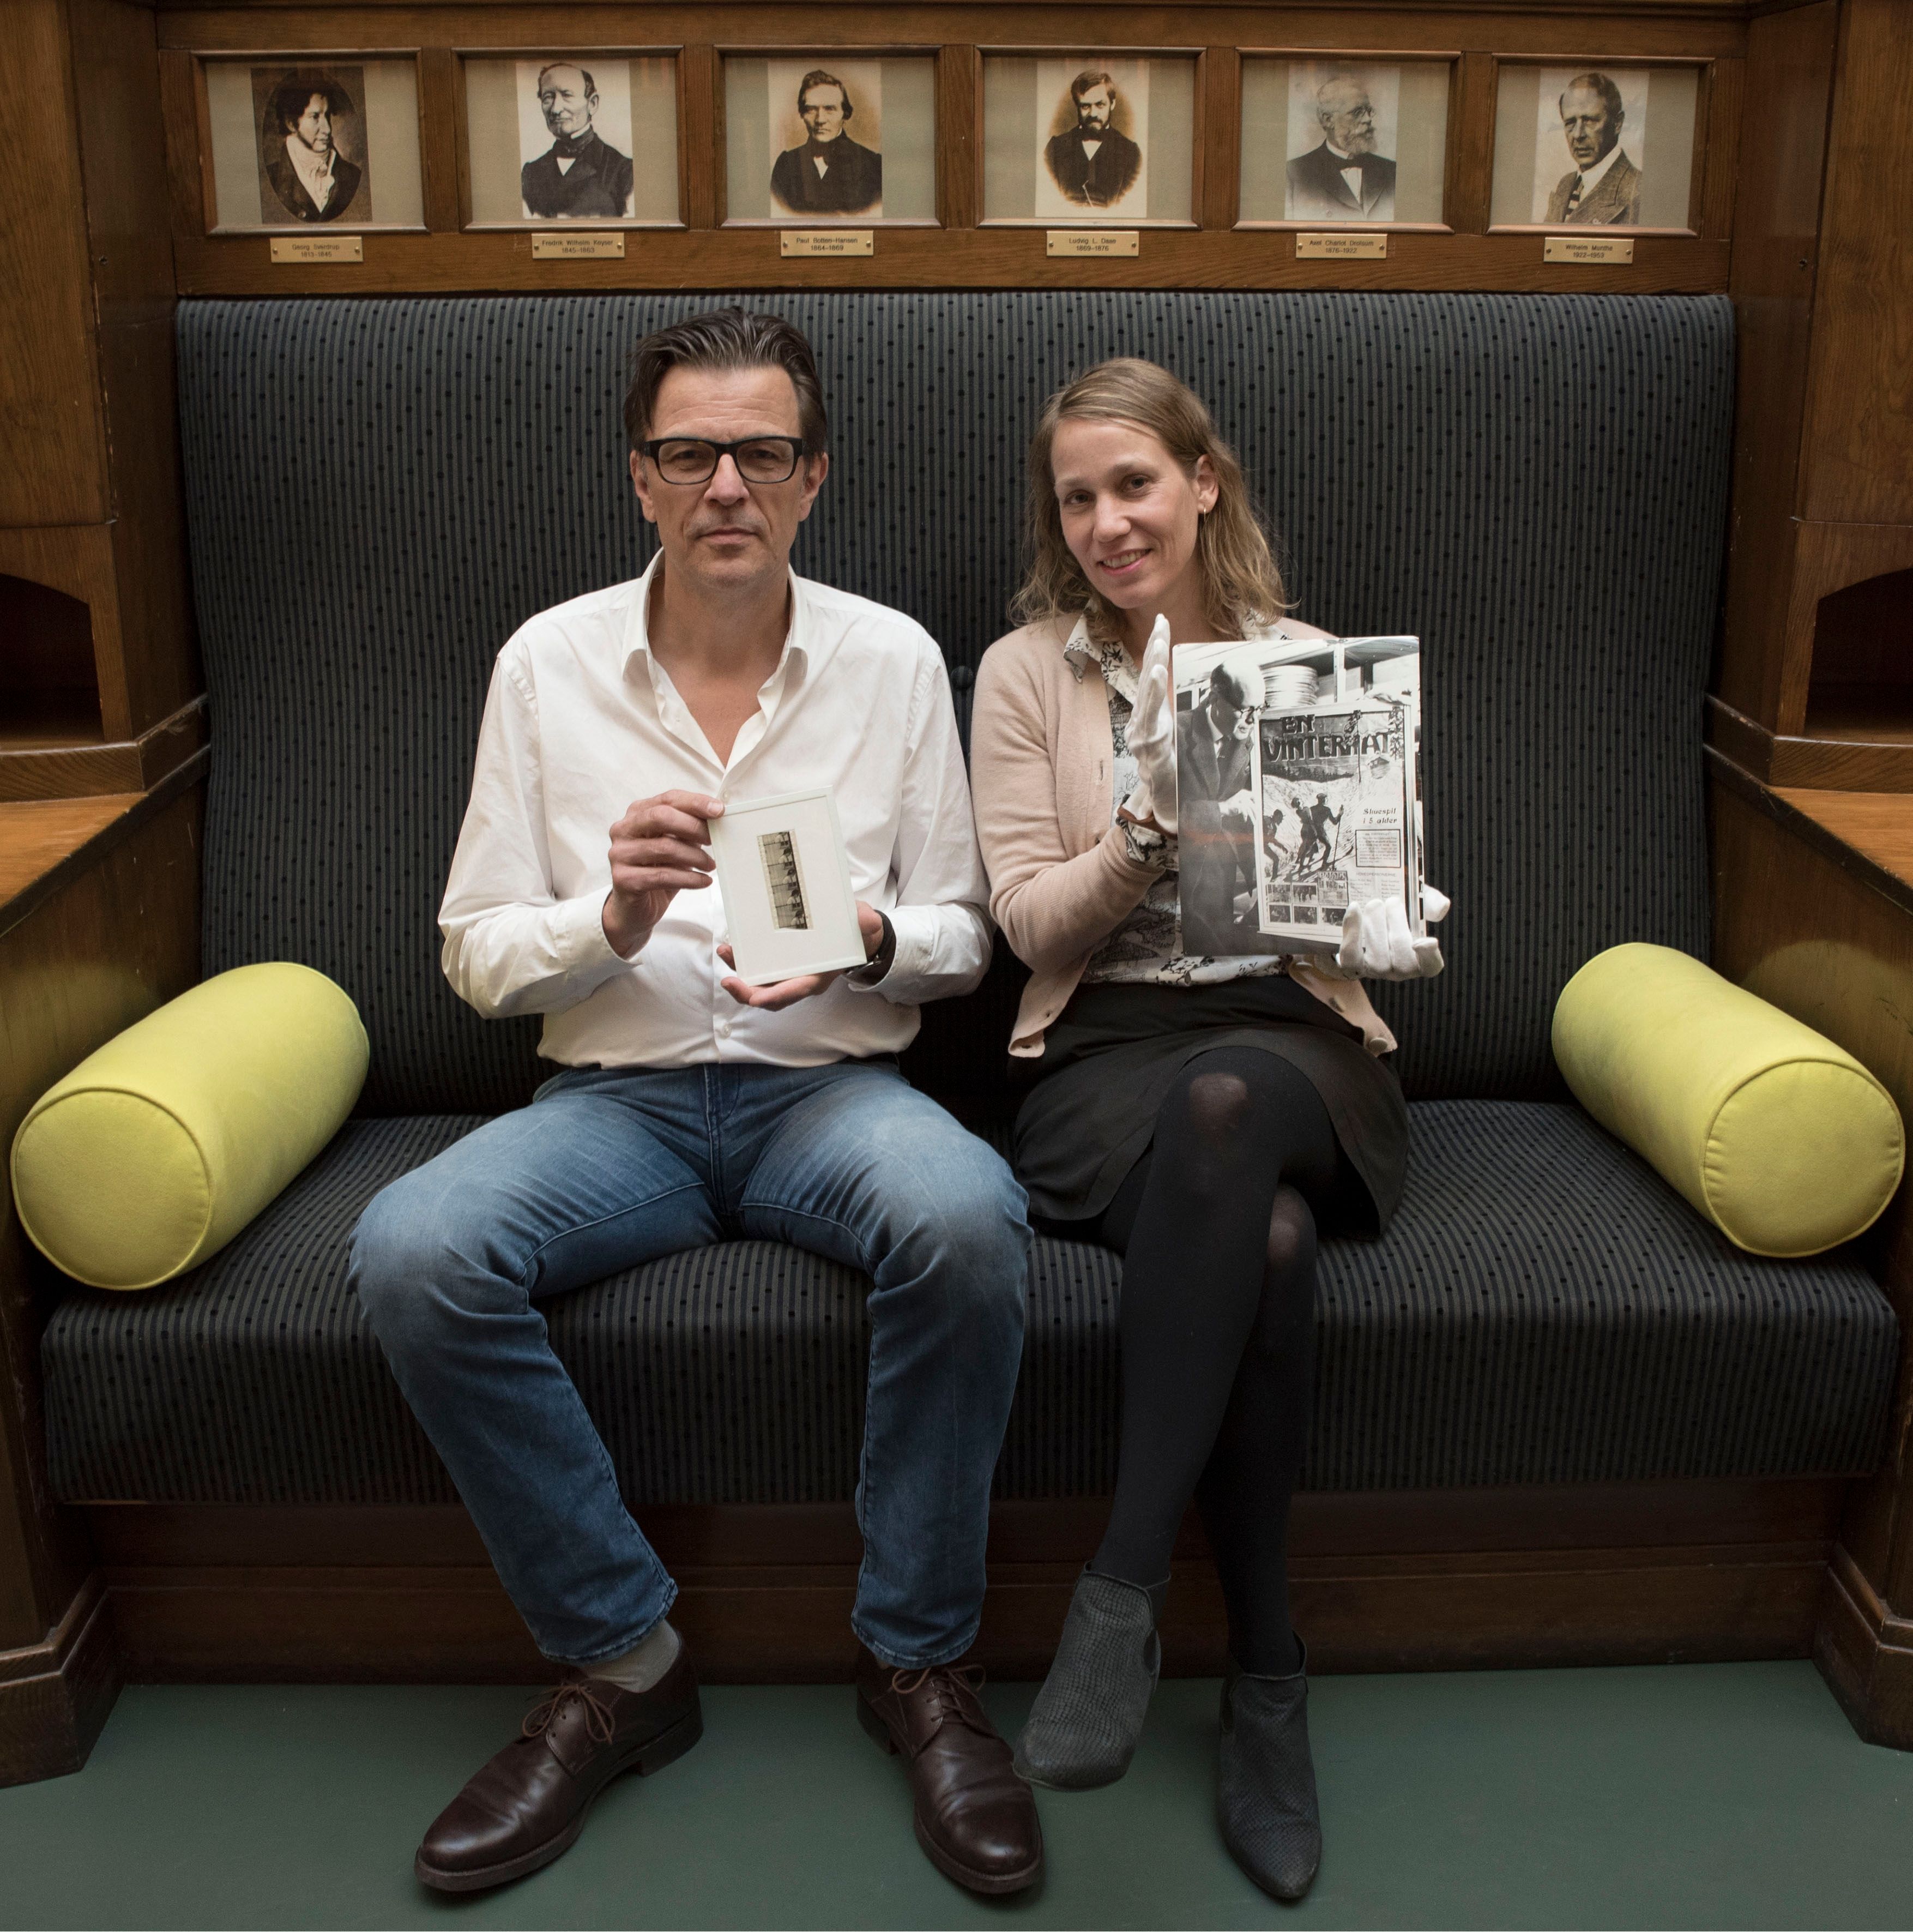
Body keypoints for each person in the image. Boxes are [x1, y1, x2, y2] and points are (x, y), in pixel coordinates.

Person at [349, 306, 1041, 1898]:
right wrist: (605, 916)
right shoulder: (546, 664)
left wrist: (870, 939)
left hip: (830, 1094)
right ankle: (621, 1658)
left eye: (760, 453)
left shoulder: (887, 661)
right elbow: (471, 954)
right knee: (413, 1248)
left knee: (966, 1216)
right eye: (688, 453)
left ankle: (916, 1658)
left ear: (812, 477)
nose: (725, 483)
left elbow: (961, 933)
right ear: (641, 479)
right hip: (619, 1108)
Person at [969, 357, 1447, 1901]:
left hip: (1291, 1044)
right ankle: (1267, 1677)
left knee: (1232, 1102)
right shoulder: (1024, 676)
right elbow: (1024, 923)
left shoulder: (1306, 668)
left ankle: (1119, 1588)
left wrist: (1388, 910)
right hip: (1101, 1057)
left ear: (1201, 481)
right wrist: (1146, 822)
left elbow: (1351, 921)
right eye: (1077, 498)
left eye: (1133, 483)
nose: (1108, 521)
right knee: (1272, 1241)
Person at [521, 63, 635, 220]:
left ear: (592, 104)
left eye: (567, 96)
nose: (556, 109)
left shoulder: (624, 172)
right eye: (548, 98)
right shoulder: (531, 173)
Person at [770, 69, 883, 215]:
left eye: (830, 109)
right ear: (802, 114)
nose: (820, 120)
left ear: (845, 113)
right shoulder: (785, 165)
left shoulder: (873, 165)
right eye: (811, 110)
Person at [1286, 74, 1396, 221]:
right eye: (1357, 112)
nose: (1368, 119)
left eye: (1369, 111)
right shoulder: (1295, 173)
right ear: (1328, 120)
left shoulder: (1391, 171)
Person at [262, 73, 363, 224]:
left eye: (327, 116)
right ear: (291, 124)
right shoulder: (271, 179)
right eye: (315, 117)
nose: (327, 129)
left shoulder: (353, 176)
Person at [1544, 73, 1640, 225]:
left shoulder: (1638, 191)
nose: (1578, 135)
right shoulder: (1566, 184)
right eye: (1570, 123)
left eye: (1589, 121)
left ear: (1617, 124)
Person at [1045, 71, 1143, 209]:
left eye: (1100, 105)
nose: (1094, 114)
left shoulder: (1131, 153)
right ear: (1077, 106)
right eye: (1086, 106)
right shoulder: (1055, 148)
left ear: (1112, 104)